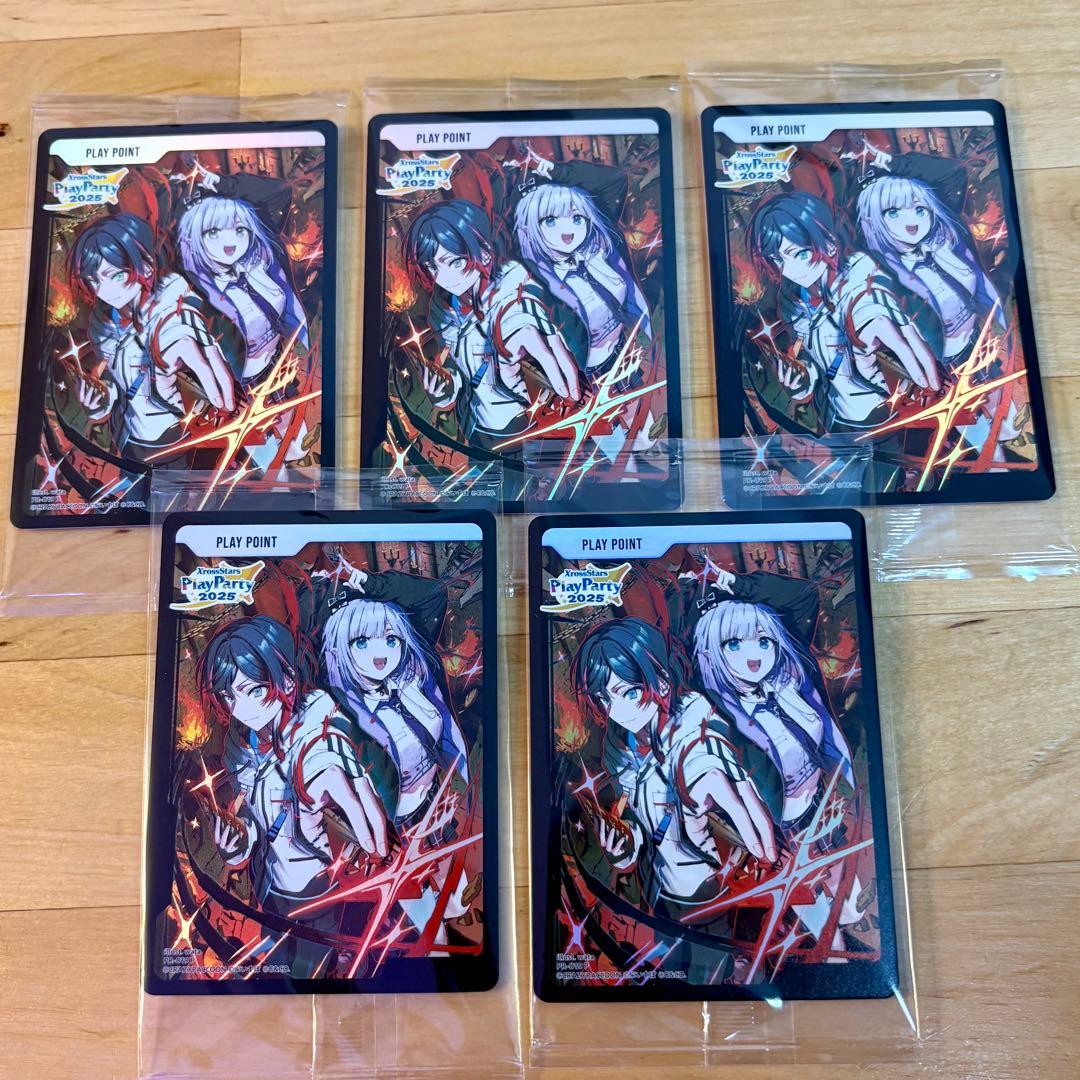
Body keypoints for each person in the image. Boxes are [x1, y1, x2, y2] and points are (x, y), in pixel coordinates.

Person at [197, 614, 388, 978]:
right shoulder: (242, 744)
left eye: (254, 691)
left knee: (307, 978)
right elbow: (254, 816)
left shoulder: (319, 735)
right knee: (277, 968)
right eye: (229, 696)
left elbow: (333, 760)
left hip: (317, 891)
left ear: (286, 678)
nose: (242, 708)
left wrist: (327, 765)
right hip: (270, 889)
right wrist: (238, 843)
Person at [746, 191, 941, 433]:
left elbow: (870, 299)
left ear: (828, 244)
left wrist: (867, 319)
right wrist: (803, 380)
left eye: (801, 254)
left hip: (892, 417)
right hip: (840, 421)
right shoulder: (791, 301)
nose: (791, 269)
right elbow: (817, 360)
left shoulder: (860, 278)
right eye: (777, 259)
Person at [403, 197, 580, 453]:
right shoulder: (443, 309)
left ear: (484, 253)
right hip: (480, 434)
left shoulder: (515, 298)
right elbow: (463, 370)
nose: (444, 277)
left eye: (455, 262)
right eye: (432, 267)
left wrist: (519, 326)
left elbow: (522, 314)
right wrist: (446, 389)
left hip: (532, 431)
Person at [68, 212, 236, 463]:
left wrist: (179, 334)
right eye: (93, 281)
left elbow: (183, 325)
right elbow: (122, 383)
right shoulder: (101, 325)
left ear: (145, 264)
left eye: (116, 276)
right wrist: (100, 401)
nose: (105, 291)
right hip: (132, 445)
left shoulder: (174, 309)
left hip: (183, 440)